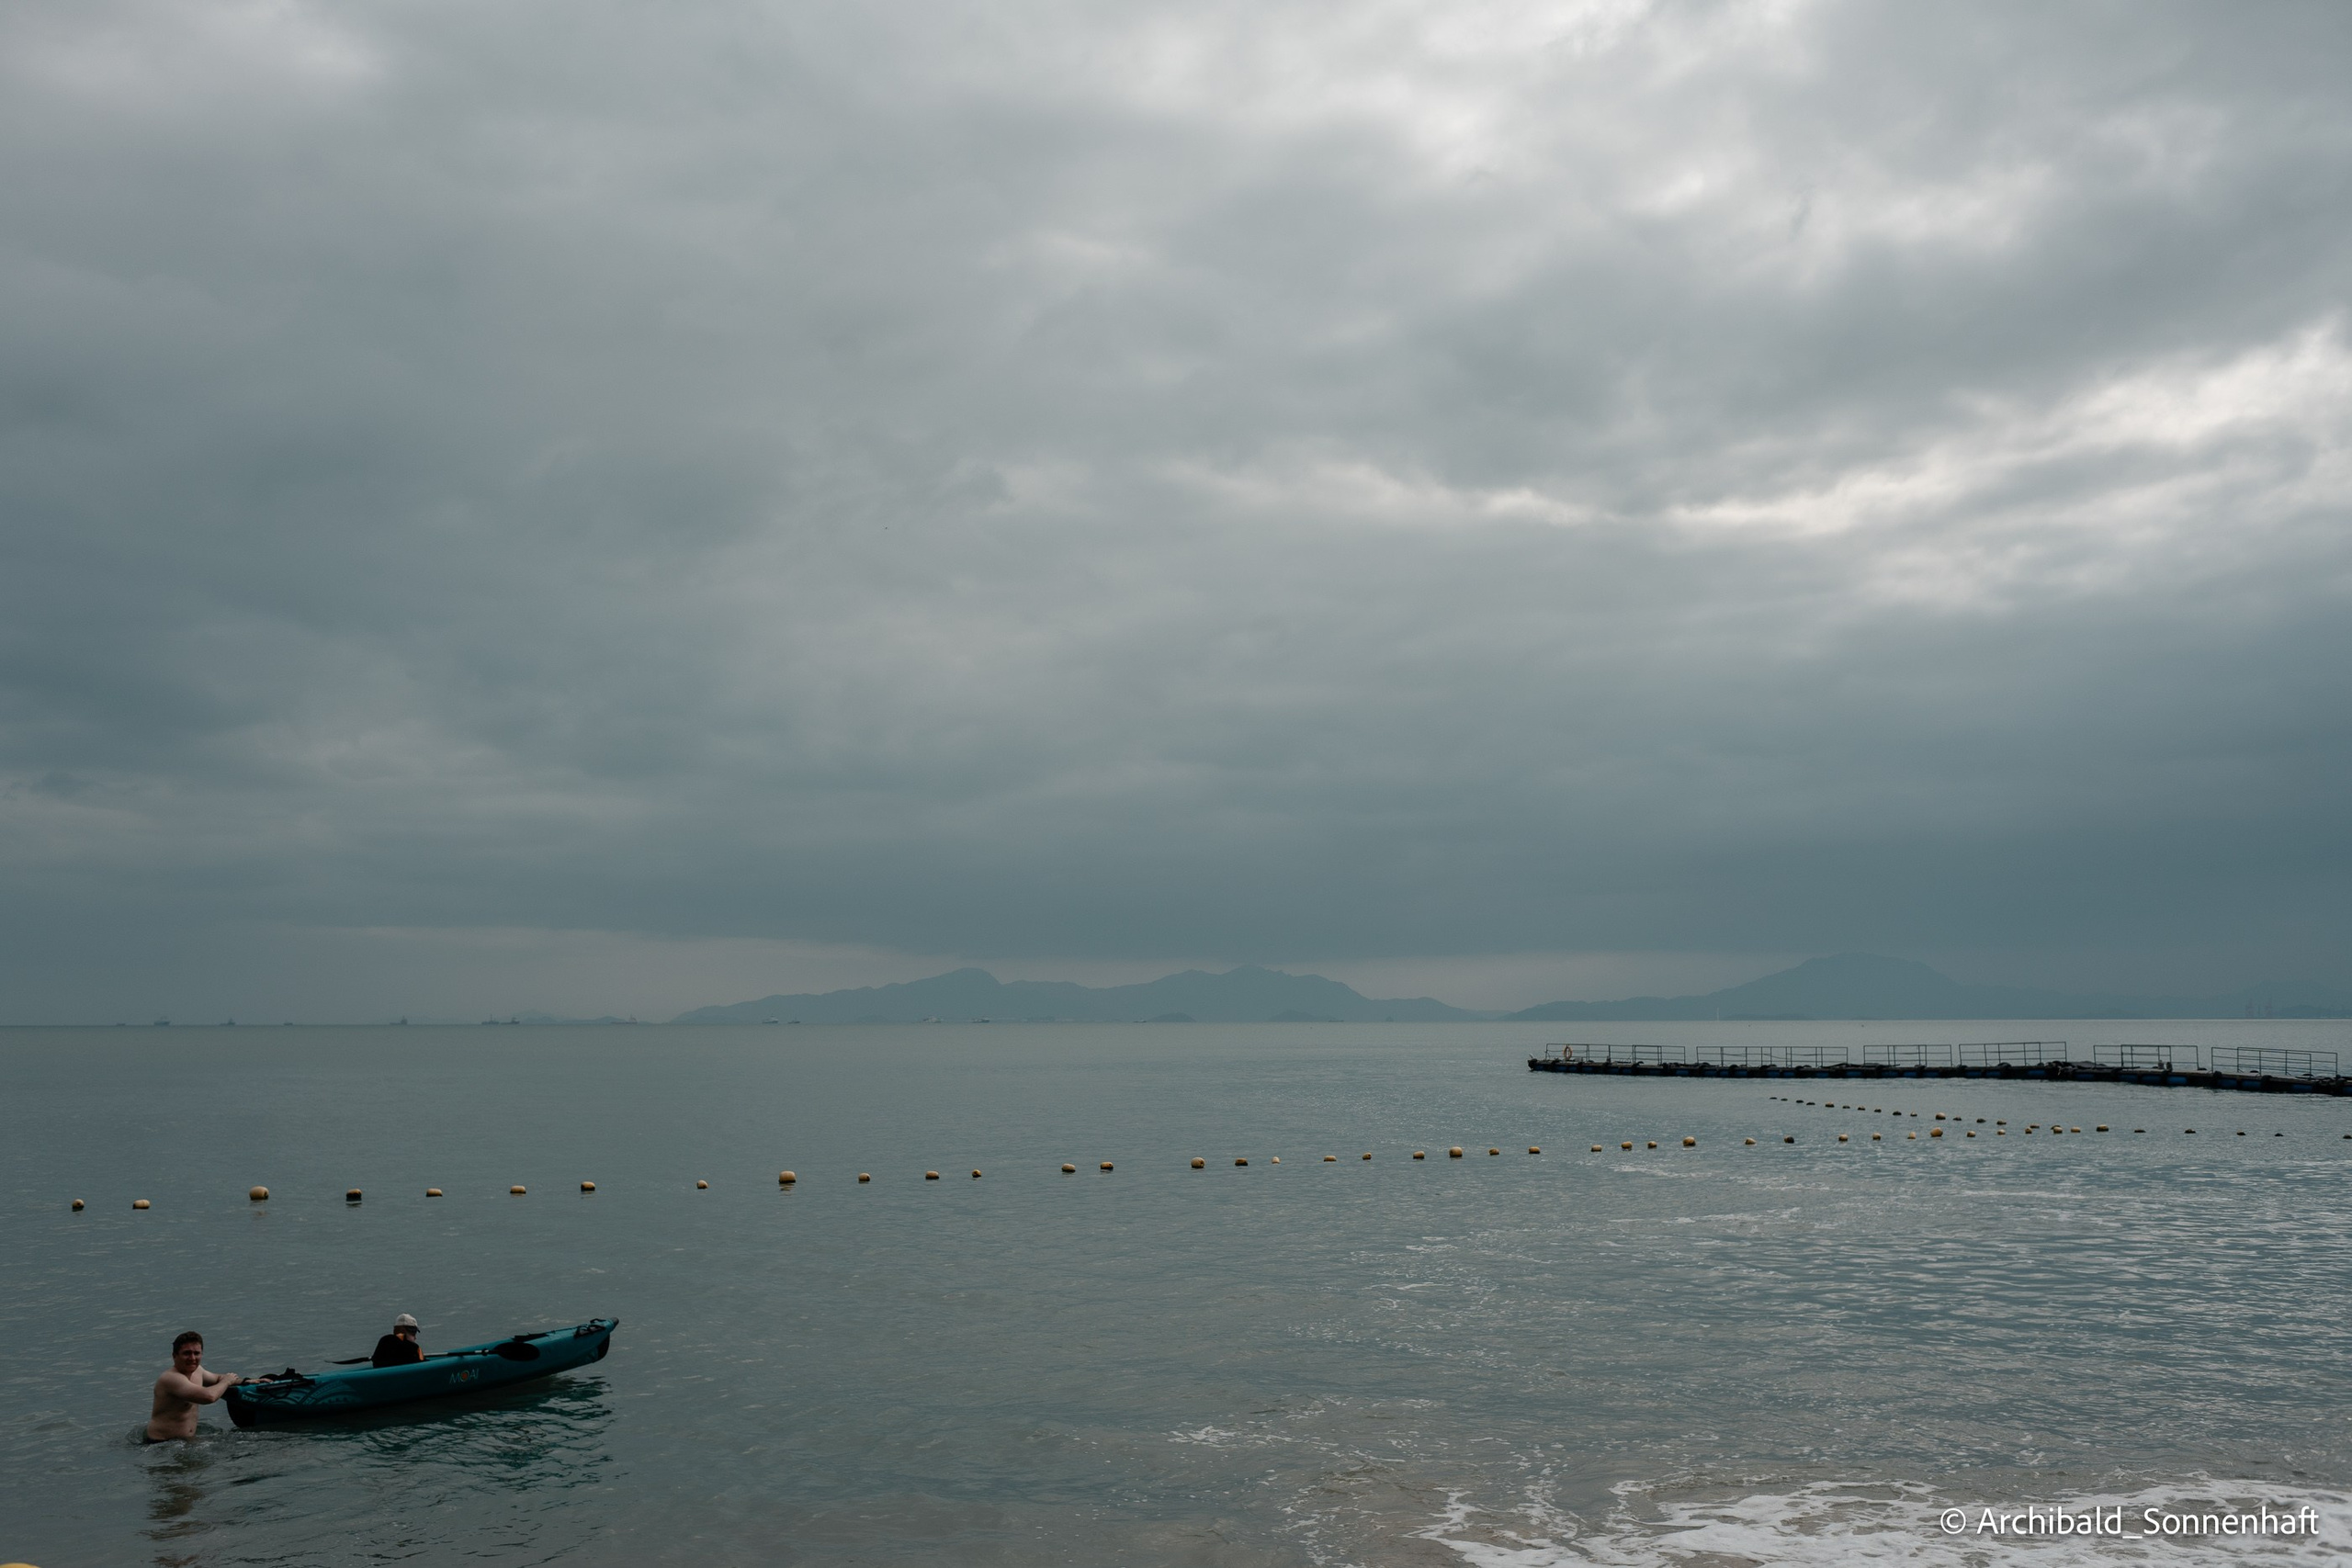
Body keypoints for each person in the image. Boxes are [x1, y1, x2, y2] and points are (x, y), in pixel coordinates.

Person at [146, 1331, 242, 1442]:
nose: (192, 1358)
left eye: (196, 1353)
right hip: (161, 1444)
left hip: (185, 1441)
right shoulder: (171, 1378)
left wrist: (247, 1381)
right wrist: (227, 1382)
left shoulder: (198, 1370)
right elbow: (209, 1397)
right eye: (187, 1353)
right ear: (174, 1356)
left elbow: (218, 1378)